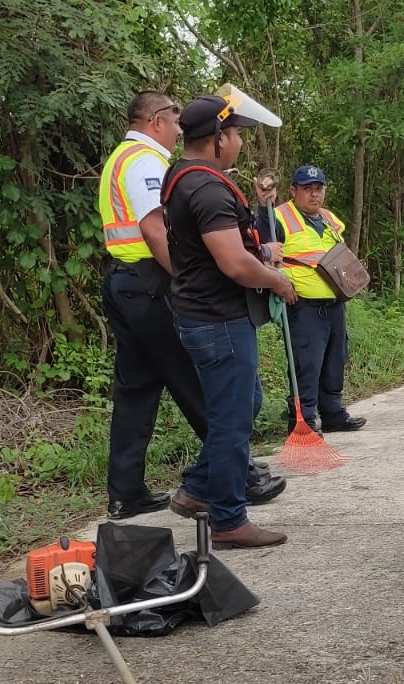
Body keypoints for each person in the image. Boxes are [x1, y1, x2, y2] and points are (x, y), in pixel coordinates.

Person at [96, 91, 286, 521]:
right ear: (157, 121)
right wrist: (186, 282)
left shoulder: (120, 158)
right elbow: (153, 228)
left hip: (124, 282)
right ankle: (224, 480)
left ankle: (126, 492)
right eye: (175, 121)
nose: (179, 130)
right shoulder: (144, 159)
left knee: (137, 392)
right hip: (151, 283)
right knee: (214, 388)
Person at [161, 93, 297, 549]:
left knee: (245, 403)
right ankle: (228, 520)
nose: (239, 141)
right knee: (231, 421)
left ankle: (200, 489)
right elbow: (234, 264)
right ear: (218, 138)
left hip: (200, 313)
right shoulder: (208, 188)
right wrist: (276, 280)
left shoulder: (182, 177)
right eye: (236, 133)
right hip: (218, 319)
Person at [275, 164, 366, 433]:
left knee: (335, 360)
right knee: (307, 363)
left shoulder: (329, 219)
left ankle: (333, 412)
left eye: (319, 188)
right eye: (307, 189)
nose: (314, 194)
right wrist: (279, 282)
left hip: (334, 302)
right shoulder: (278, 218)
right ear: (294, 190)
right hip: (302, 306)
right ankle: (303, 421)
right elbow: (266, 255)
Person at [252, 168, 281, 245]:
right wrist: (265, 205)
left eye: (317, 189)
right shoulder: (284, 216)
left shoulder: (317, 212)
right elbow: (265, 240)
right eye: (307, 188)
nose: (314, 194)